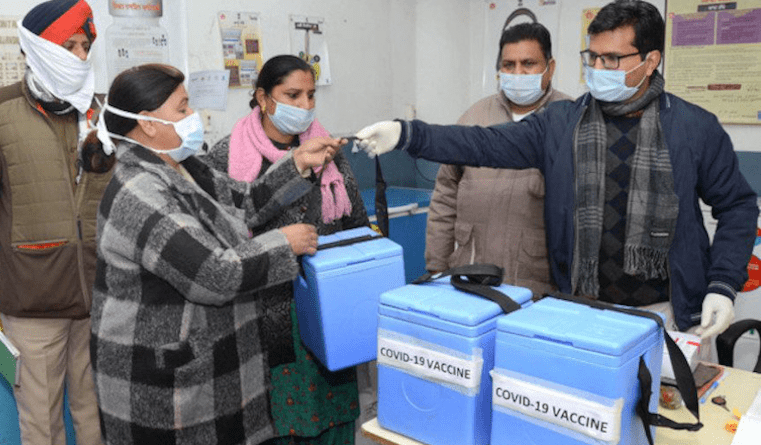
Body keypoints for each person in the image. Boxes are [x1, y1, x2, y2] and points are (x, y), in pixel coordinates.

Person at [356, 0, 758, 349]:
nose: (598, 68)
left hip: (667, 311)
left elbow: (738, 206)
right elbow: (484, 144)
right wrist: (407, 133)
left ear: (650, 60)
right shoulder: (561, 123)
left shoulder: (694, 127)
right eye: (592, 56)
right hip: (580, 307)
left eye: (612, 59)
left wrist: (722, 283)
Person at [88, 63, 344, 444]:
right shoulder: (139, 192)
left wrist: (297, 164)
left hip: (208, 368)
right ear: (148, 123)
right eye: (182, 108)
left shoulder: (183, 166)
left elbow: (245, 202)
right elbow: (212, 275)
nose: (194, 117)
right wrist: (282, 243)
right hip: (164, 385)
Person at [202, 54, 369, 445]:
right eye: (292, 95)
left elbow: (356, 224)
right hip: (262, 317)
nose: (305, 106)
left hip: (329, 309)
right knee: (275, 423)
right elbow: (218, 244)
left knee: (333, 418)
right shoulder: (227, 157)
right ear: (262, 97)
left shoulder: (328, 151)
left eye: (311, 95)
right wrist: (280, 243)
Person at [0, 1, 106, 444]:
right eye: (69, 45)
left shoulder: (101, 113)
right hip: (35, 300)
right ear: (36, 49)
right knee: (41, 424)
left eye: (85, 46)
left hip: (101, 294)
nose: (80, 56)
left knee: (97, 415)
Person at [425, 22, 571, 298]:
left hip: (537, 290)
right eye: (508, 64)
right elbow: (444, 198)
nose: (517, 73)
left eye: (528, 64)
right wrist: (436, 267)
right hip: (469, 281)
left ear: (550, 68)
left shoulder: (569, 122)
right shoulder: (473, 119)